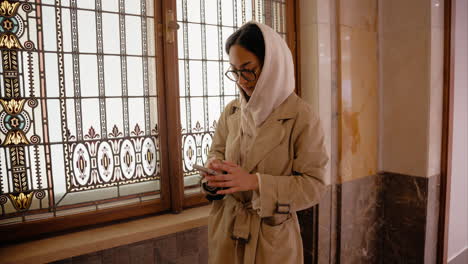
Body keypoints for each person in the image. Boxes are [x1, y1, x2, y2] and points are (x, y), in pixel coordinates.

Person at [200, 21, 329, 264]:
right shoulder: (233, 111)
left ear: (272, 66)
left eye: (248, 69)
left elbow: (314, 186)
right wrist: (214, 174)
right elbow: (216, 151)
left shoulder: (301, 117)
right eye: (235, 71)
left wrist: (255, 183)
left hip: (272, 240)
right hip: (227, 233)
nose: (241, 80)